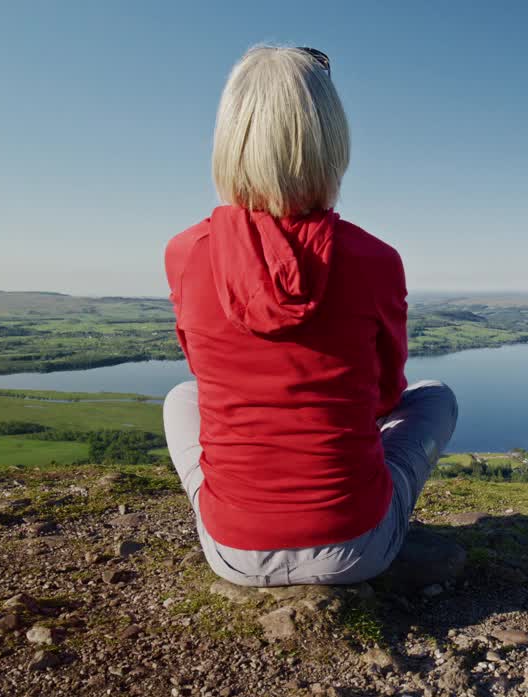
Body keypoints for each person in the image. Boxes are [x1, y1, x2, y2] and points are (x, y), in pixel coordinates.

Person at [162, 46, 458, 587]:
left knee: (181, 397)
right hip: (355, 547)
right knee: (436, 397)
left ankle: (236, 507)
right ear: (330, 140)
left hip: (233, 552)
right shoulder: (375, 260)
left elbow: (209, 380)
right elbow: (388, 396)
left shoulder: (185, 254)